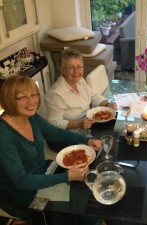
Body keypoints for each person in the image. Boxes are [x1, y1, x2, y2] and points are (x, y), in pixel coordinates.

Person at [0, 76, 102, 225]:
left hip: (43, 170)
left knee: (87, 185)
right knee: (72, 208)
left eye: (33, 94)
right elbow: (21, 181)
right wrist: (65, 177)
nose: (31, 102)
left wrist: (86, 140)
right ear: (9, 99)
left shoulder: (31, 117)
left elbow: (55, 133)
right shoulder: (3, 134)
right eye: (22, 97)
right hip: (20, 191)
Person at [45, 48, 117, 139]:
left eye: (79, 67)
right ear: (62, 70)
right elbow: (54, 122)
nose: (76, 72)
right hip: (69, 134)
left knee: (114, 133)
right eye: (71, 67)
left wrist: (107, 104)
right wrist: (79, 123)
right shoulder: (56, 94)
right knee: (107, 140)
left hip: (87, 126)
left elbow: (93, 95)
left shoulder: (80, 81)